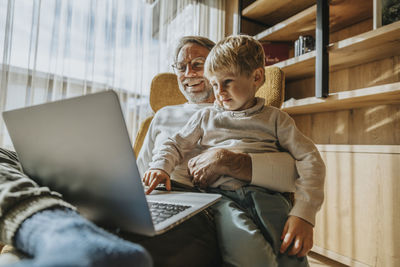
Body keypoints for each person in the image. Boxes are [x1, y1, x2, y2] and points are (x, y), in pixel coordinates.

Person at [0, 35, 298, 267]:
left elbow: (294, 172)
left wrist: (233, 161)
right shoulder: (162, 116)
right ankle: (51, 220)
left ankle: (45, 226)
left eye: (197, 64)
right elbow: (142, 172)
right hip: (140, 202)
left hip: (200, 209)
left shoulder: (251, 119)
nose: (187, 73)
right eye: (180, 67)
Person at [143, 35, 325, 266]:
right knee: (251, 255)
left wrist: (304, 213)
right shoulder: (199, 116)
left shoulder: (276, 119)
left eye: (198, 64)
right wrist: (159, 167)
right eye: (181, 67)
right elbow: (171, 146)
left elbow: (308, 160)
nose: (219, 92)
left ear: (257, 77)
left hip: (267, 197)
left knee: (291, 253)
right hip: (220, 200)